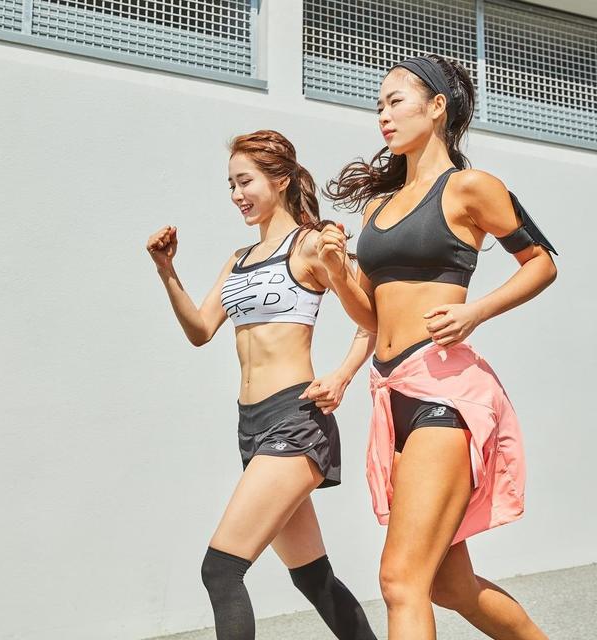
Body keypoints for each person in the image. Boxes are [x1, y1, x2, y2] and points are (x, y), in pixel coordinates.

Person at [304, 54, 557, 640]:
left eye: (395, 102)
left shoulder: (471, 187)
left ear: (437, 107)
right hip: (392, 396)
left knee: (401, 581)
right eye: (379, 106)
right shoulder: (377, 207)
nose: (383, 116)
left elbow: (541, 263)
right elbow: (370, 316)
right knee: (449, 585)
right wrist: (338, 274)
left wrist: (475, 311)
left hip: (447, 393)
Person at [146, 130, 377, 640]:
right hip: (251, 426)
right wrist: (167, 272)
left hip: (295, 420)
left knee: (221, 569)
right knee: (313, 577)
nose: (236, 194)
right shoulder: (239, 259)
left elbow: (372, 319)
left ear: (282, 180)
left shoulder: (313, 243)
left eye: (245, 181)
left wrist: (342, 374)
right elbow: (201, 331)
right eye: (230, 184)